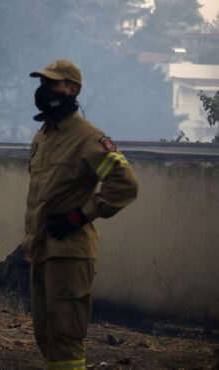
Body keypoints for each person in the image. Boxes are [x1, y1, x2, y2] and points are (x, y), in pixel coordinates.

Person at [22, 60, 138, 369]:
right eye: (43, 84)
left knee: (66, 340)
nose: (45, 90)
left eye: (53, 84)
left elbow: (124, 184)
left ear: (72, 90)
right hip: (42, 252)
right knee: (46, 337)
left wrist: (80, 216)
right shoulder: (43, 136)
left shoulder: (87, 138)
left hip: (70, 255)